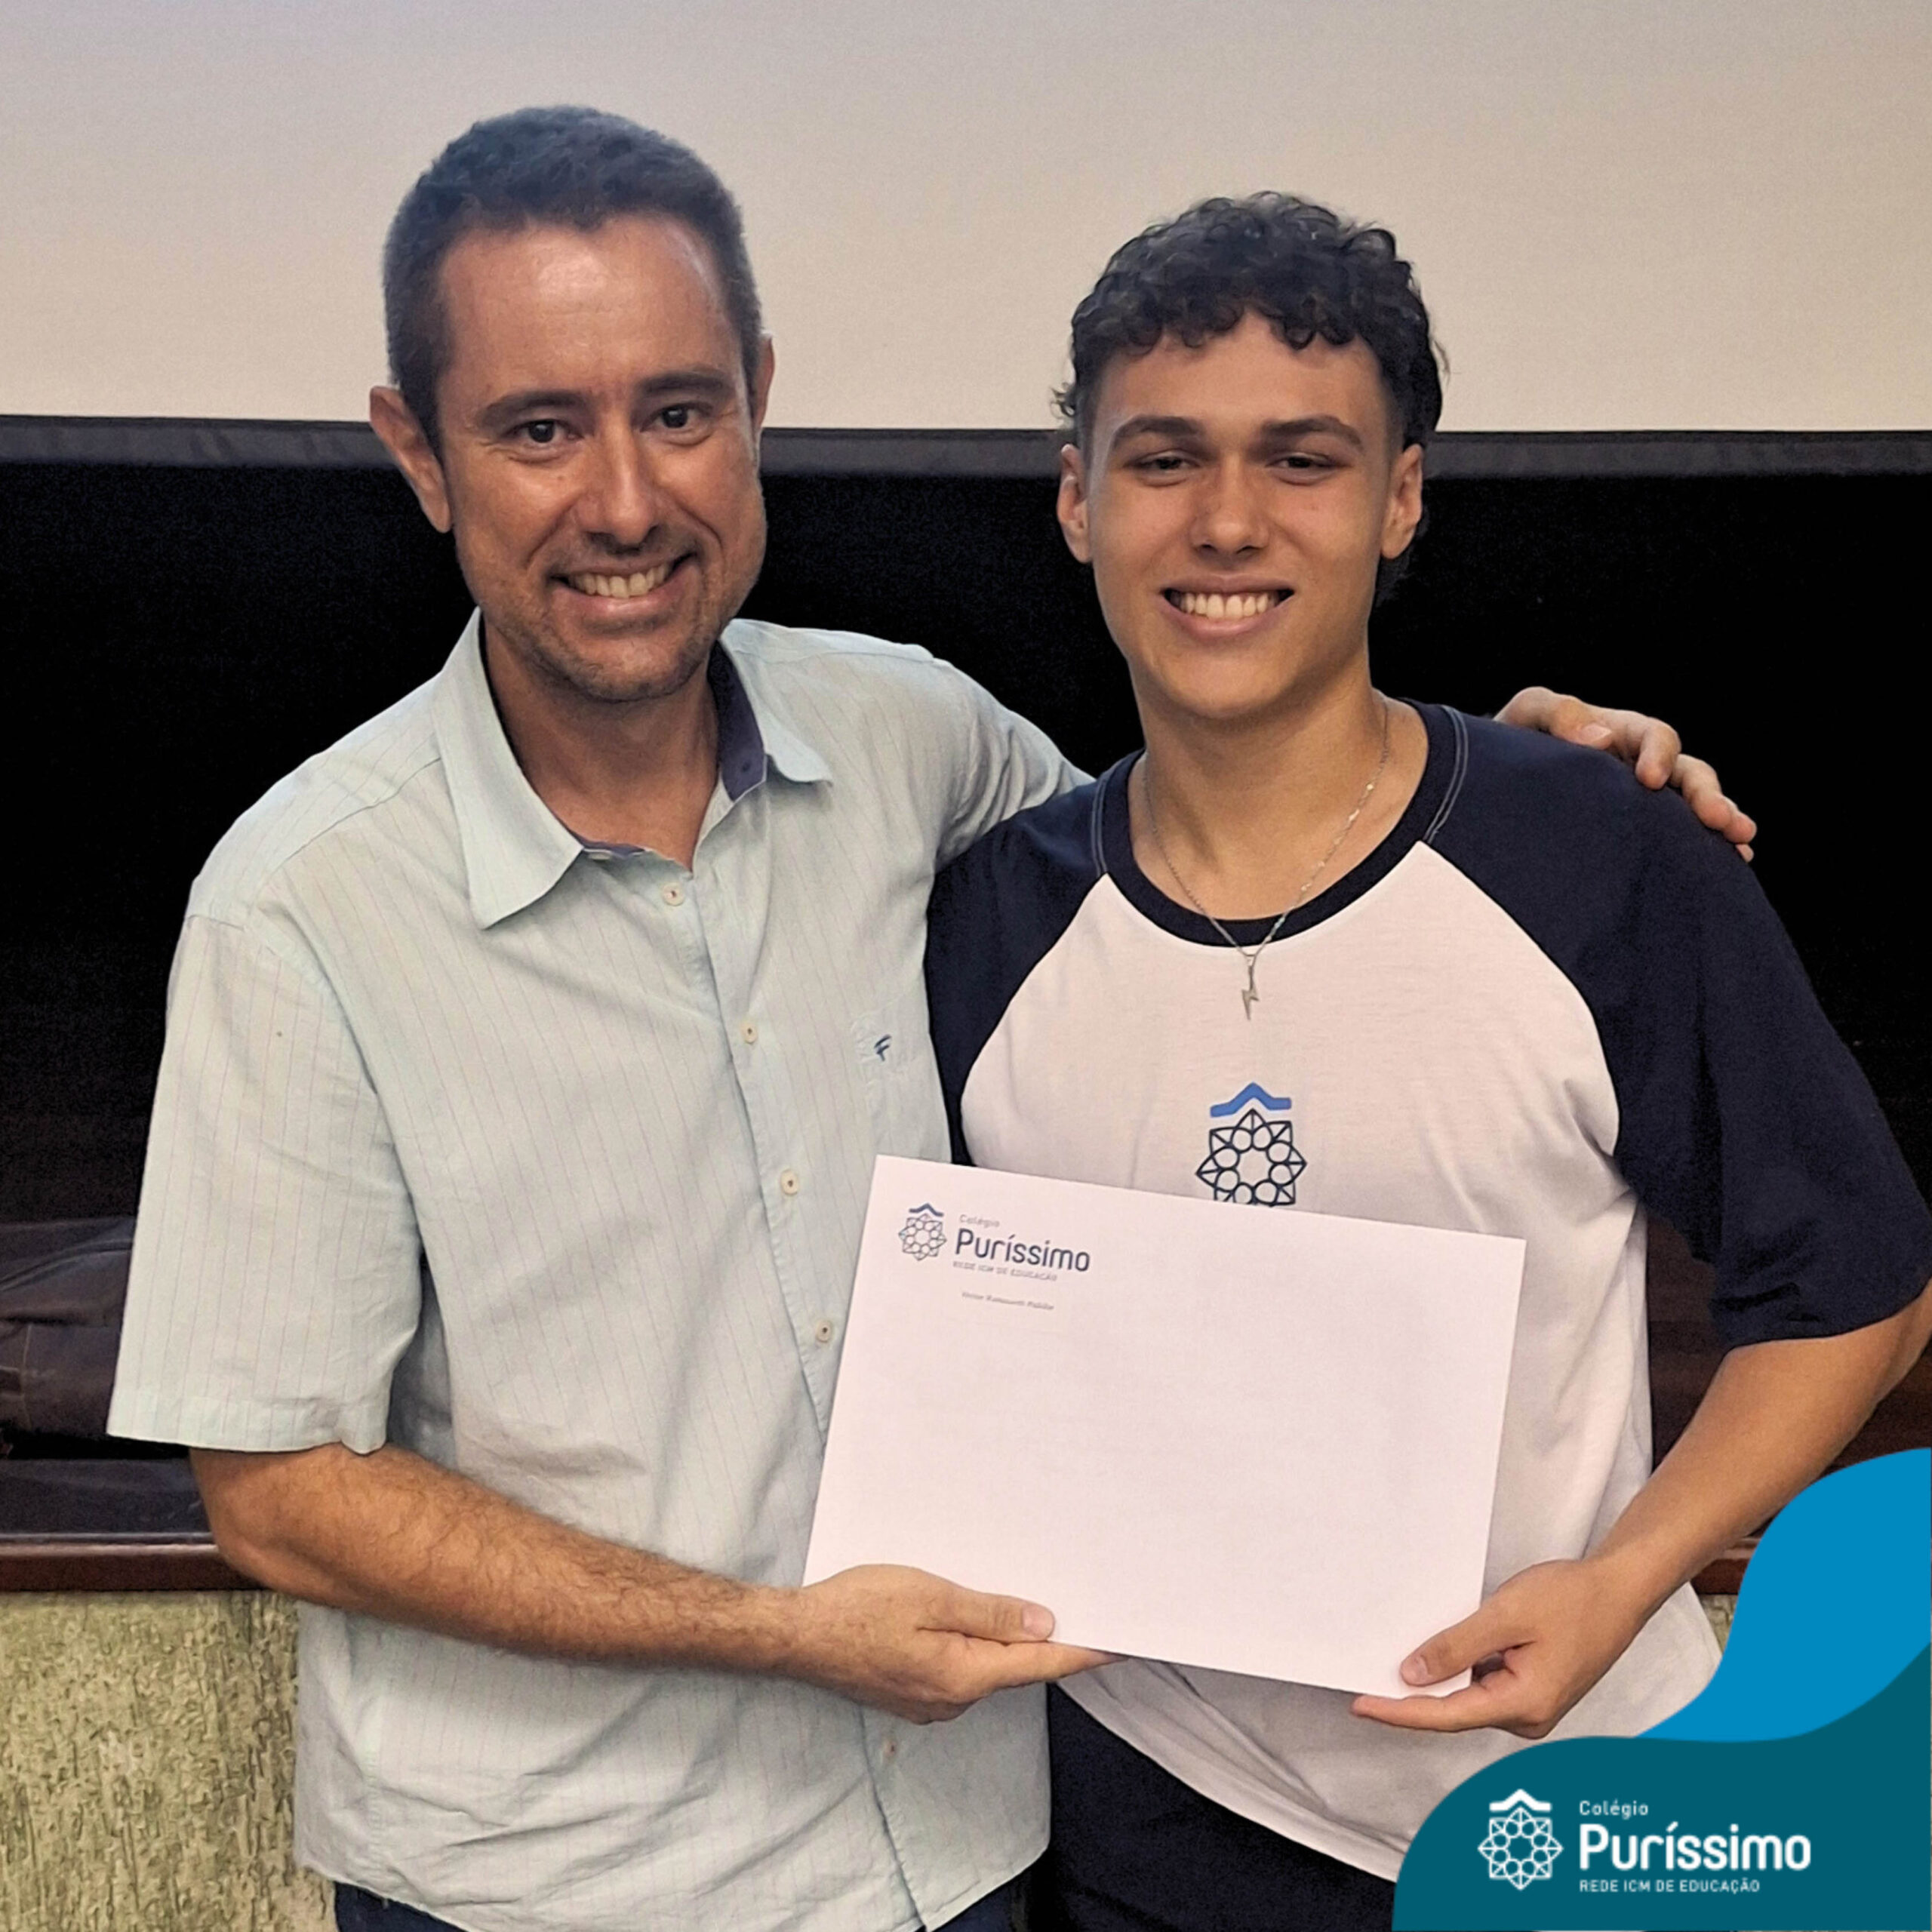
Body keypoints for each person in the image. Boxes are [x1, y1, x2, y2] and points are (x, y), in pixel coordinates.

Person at [108, 110, 1752, 1932]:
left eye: (678, 410)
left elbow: (1219, 852)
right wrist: (776, 1632)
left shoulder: (916, 742)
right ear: (417, 453)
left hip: (968, 1854)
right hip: (555, 1884)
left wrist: (1494, 789)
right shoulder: (300, 909)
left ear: (757, 402)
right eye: (538, 429)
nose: (625, 501)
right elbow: (278, 1494)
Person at [921, 192, 1932, 1932]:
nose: (1224, 519)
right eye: (1161, 458)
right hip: (1141, 1810)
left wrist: (1621, 1576)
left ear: (1398, 498)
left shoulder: (1599, 855)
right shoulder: (982, 922)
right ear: (1077, 497)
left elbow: (1857, 1284)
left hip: (1572, 1804)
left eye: (1299, 459)